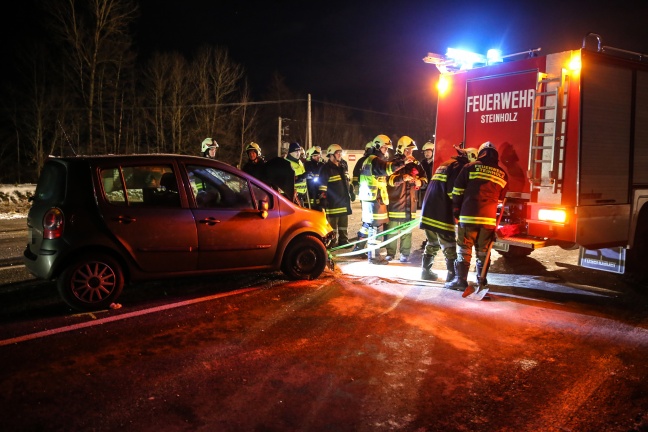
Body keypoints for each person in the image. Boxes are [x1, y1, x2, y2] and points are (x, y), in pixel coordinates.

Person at [446, 141, 509, 291]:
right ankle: (482, 281)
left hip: (468, 217)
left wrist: (456, 210)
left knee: (464, 249)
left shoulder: (470, 167)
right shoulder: (502, 174)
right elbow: (501, 198)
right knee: (483, 252)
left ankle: (460, 281)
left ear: (481, 153)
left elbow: (457, 190)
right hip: (488, 219)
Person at [419, 146, 477, 282]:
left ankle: (425, 272)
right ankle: (452, 276)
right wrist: (459, 207)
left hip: (429, 208)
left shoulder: (447, 164)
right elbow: (453, 191)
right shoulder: (459, 167)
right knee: (448, 242)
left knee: (433, 241)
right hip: (441, 210)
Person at [358, 134, 413, 264]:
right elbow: (388, 169)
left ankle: (369, 253)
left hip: (372, 198)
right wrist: (403, 162)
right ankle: (374, 257)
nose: (386, 151)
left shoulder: (370, 160)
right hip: (374, 199)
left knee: (372, 227)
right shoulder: (374, 160)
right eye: (384, 148)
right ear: (377, 146)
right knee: (375, 228)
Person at [385, 136, 428, 263]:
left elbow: (425, 179)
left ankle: (405, 254)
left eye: (411, 151)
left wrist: (419, 182)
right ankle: (390, 253)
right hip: (395, 202)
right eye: (408, 150)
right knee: (392, 231)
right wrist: (402, 178)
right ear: (401, 150)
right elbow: (388, 180)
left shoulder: (416, 164)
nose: (410, 153)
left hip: (411, 203)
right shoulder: (392, 163)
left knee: (407, 231)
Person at [318, 144, 352, 247]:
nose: (340, 155)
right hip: (332, 202)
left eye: (340, 153)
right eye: (338, 153)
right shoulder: (326, 168)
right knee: (332, 224)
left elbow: (347, 181)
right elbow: (322, 185)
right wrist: (323, 198)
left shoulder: (343, 166)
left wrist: (351, 191)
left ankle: (343, 240)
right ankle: (331, 242)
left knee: (343, 223)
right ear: (331, 155)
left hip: (343, 200)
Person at [350, 141, 375, 254]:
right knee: (369, 223)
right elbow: (356, 175)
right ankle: (360, 247)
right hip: (369, 196)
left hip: (370, 196)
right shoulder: (363, 161)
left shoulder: (369, 161)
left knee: (369, 223)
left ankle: (362, 247)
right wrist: (356, 186)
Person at [286, 142, 309, 206]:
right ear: (291, 152)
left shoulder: (299, 162)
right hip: (292, 196)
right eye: (296, 151)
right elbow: (288, 180)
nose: (298, 153)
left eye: (299, 151)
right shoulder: (286, 163)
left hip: (301, 195)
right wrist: (302, 177)